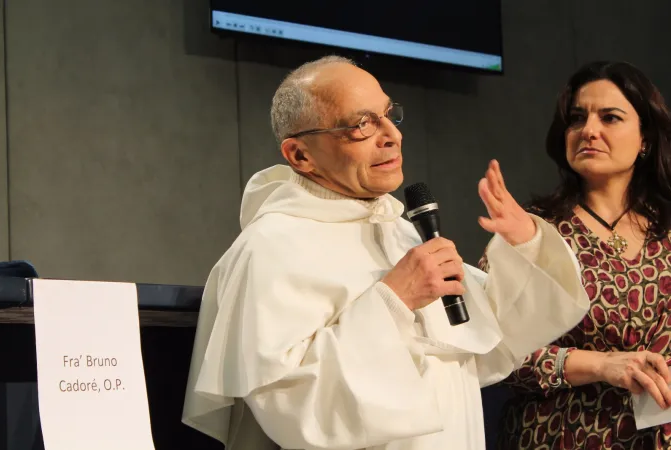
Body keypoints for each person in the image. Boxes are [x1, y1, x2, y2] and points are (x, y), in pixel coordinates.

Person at [181, 55, 589, 450]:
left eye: (388, 115)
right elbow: (292, 406)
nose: (392, 134)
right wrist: (393, 301)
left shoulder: (400, 231)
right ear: (300, 156)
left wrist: (527, 245)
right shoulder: (269, 248)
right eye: (361, 124)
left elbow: (493, 346)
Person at [479, 61, 671, 449]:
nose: (589, 130)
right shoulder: (537, 230)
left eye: (610, 117)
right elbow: (492, 352)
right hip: (561, 434)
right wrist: (601, 365)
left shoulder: (666, 229)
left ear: (645, 138)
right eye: (577, 118)